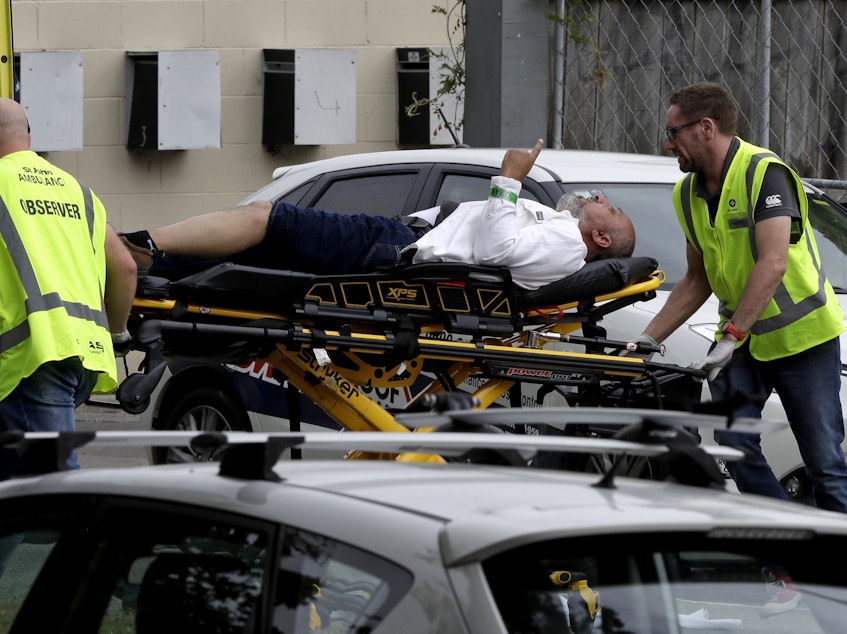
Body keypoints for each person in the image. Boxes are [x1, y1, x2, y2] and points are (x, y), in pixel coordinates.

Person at [626, 82, 847, 513]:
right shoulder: (686, 194)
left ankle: (833, 570)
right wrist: (646, 341)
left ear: (705, 128)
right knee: (733, 441)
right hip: (744, 339)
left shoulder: (765, 174)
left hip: (802, 339)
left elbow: (773, 263)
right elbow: (696, 278)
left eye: (673, 133)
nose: (667, 143)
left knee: (825, 464)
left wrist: (729, 337)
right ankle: (788, 538)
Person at [120, 139, 636, 291]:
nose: (595, 196)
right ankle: (147, 270)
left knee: (264, 217)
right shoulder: (560, 229)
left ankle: (137, 244)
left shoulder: (568, 242)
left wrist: (508, 177)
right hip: (403, 238)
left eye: (605, 206)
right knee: (255, 247)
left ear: (602, 239)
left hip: (399, 248)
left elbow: (496, 251)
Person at [0, 97, 138, 473]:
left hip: (32, 359)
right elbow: (125, 267)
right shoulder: (79, 191)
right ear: (28, 136)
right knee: (22, 482)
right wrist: (118, 334)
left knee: (53, 488)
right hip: (82, 356)